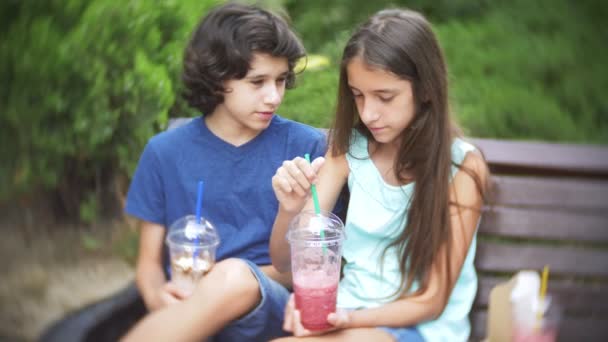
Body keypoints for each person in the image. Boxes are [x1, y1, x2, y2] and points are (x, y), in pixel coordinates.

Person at [269, 8, 489, 342]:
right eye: (358, 95)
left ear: (426, 89)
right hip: (347, 318)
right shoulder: (349, 151)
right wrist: (290, 210)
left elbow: (431, 301)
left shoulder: (461, 167)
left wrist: (346, 319)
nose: (368, 113)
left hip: (419, 329)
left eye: (385, 97)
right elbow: (286, 262)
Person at [122, 3, 327, 341]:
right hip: (187, 309)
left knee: (234, 276)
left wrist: (221, 285)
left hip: (271, 312)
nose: (273, 96)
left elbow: (310, 266)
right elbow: (148, 265)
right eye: (257, 81)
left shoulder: (306, 147)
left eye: (280, 80)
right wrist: (160, 298)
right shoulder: (163, 152)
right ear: (216, 78)